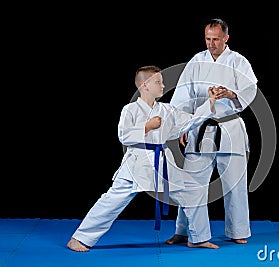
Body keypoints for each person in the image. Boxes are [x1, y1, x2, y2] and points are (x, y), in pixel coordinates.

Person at [66, 65, 220, 252]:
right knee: (112, 200)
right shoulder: (130, 109)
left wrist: (210, 102)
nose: (163, 85)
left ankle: (198, 238)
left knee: (194, 191)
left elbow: (190, 121)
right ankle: (79, 238)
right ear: (144, 85)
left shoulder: (167, 110)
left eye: (162, 82)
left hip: (162, 161)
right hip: (137, 162)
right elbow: (123, 135)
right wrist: (146, 127)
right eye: (158, 82)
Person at [166, 18, 258, 245]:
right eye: (208, 39)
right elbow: (183, 95)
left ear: (226, 38)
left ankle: (238, 231)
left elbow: (250, 88)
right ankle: (183, 231)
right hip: (200, 127)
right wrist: (182, 126)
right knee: (191, 183)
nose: (211, 44)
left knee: (235, 183)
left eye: (216, 39)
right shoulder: (197, 61)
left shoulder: (238, 61)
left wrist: (232, 94)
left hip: (229, 126)